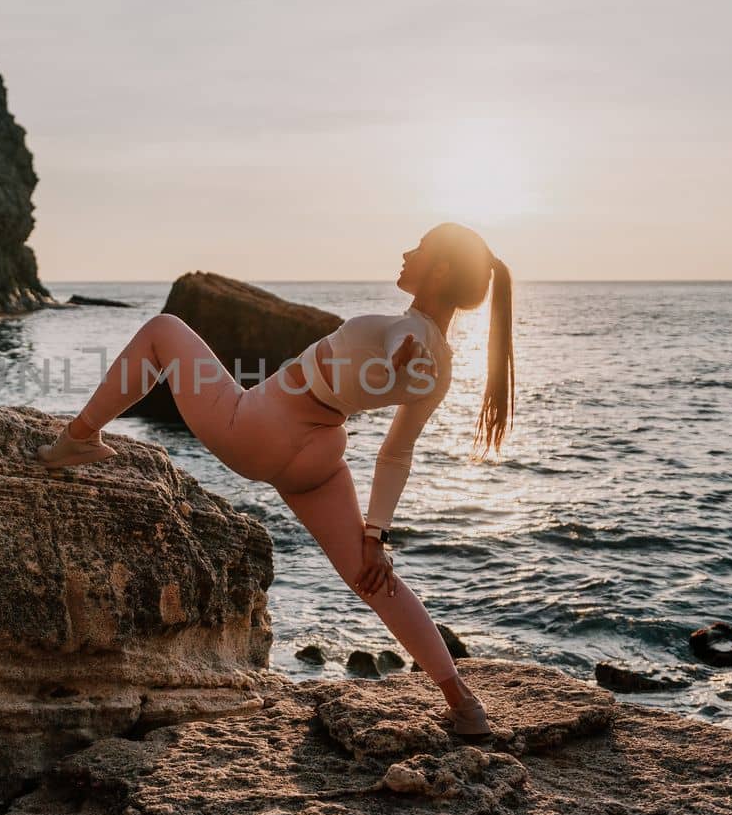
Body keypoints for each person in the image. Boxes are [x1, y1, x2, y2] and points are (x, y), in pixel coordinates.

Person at [34, 222, 514, 740]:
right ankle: (463, 705)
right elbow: (396, 453)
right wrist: (376, 536)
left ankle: (78, 437)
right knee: (372, 578)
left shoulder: (408, 336)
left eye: (418, 249)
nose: (405, 253)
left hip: (258, 428)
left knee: (162, 330)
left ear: (440, 269)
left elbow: (404, 340)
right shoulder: (440, 367)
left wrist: (402, 351)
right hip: (319, 458)